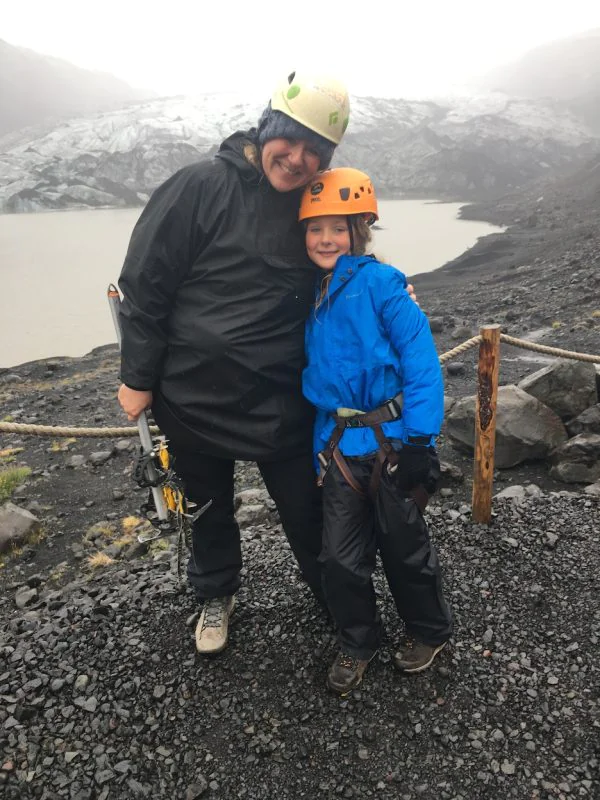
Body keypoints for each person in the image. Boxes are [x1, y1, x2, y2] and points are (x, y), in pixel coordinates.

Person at [117, 71, 352, 655]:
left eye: (314, 150)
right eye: (289, 139)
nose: (297, 159)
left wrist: (391, 294)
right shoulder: (200, 185)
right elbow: (145, 283)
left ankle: (338, 598)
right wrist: (137, 377)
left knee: (306, 508)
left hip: (283, 395)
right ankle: (216, 594)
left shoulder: (314, 201)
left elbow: (345, 264)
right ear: (266, 127)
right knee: (207, 509)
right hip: (193, 394)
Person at [300, 167, 453, 695]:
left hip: (392, 443)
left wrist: (421, 442)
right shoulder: (309, 294)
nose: (325, 239)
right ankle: (358, 641)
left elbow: (421, 364)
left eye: (337, 228)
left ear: (358, 231)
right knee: (339, 558)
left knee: (405, 548)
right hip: (339, 447)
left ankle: (428, 631)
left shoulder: (384, 285)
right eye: (315, 229)